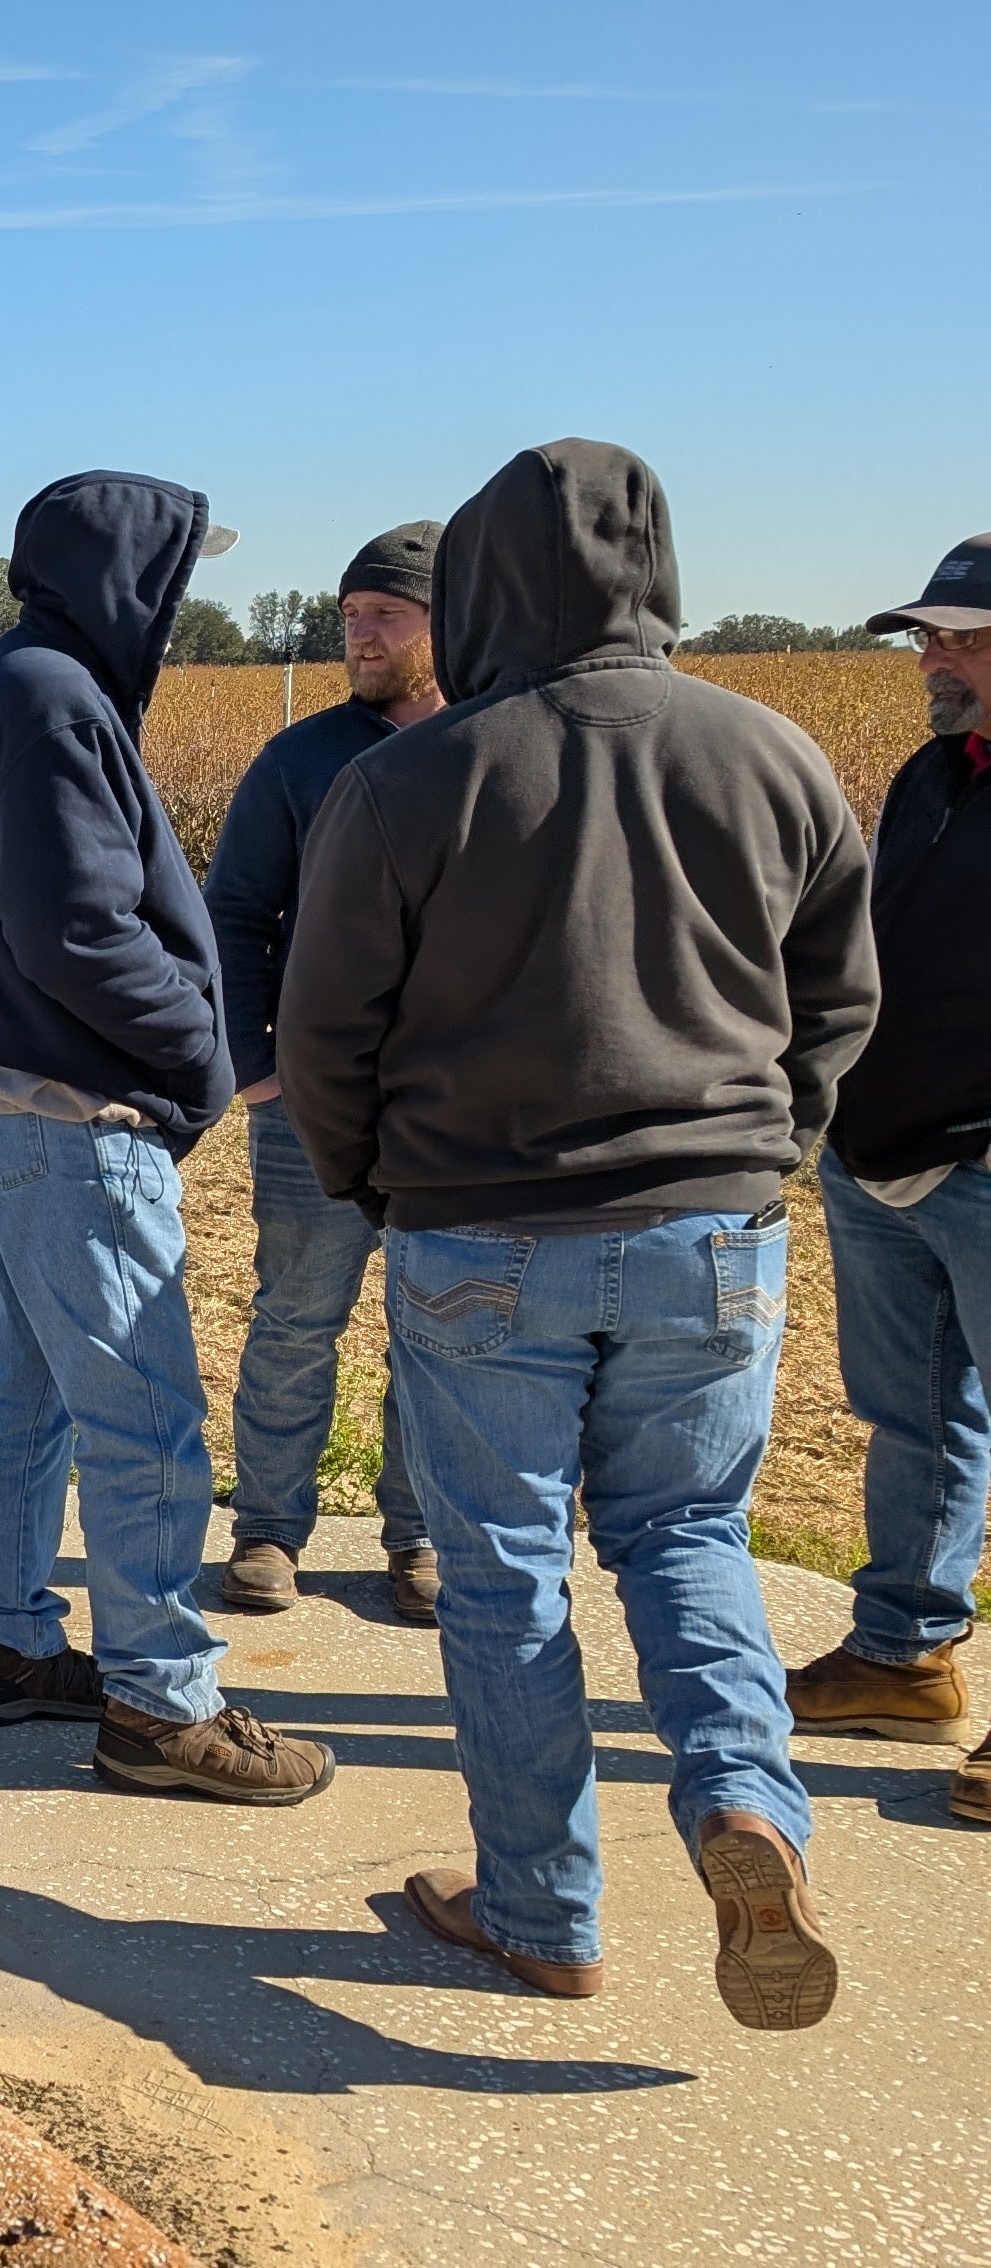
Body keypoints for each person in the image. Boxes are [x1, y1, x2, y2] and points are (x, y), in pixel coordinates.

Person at [282, 439, 873, 2024]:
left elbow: (325, 1026)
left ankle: (543, 1909)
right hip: (717, 1230)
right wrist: (768, 1152)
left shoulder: (410, 777)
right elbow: (838, 999)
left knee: (505, 1574)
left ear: (477, 586)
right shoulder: (775, 754)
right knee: (690, 1537)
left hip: (484, 1233)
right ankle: (746, 1808)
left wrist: (375, 1186)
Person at [0, 469, 336, 1806]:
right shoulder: (50, 698)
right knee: (142, 1419)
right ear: (129, 577)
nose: (185, 601)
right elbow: (76, 931)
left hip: (6, 1092)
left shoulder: (15, 676)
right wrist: (206, 1061)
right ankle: (163, 1705)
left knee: (23, 1389)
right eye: (181, 572)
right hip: (70, 1112)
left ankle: (7, 1643)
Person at [200, 522, 447, 1623]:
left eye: (385, 614)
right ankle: (268, 1532)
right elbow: (235, 915)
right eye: (350, 615)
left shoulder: (494, 746)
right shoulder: (299, 759)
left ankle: (422, 1539)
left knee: (440, 1326)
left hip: (454, 1107)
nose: (361, 634)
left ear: (449, 622)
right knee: (298, 1316)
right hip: (312, 1104)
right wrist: (257, 1070)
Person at [784, 535, 991, 1819]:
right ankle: (905, 1652)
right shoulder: (931, 776)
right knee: (914, 1413)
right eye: (929, 638)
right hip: (885, 1156)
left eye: (965, 638)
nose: (936, 660)